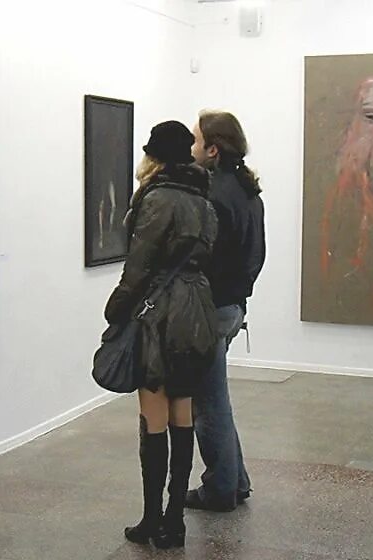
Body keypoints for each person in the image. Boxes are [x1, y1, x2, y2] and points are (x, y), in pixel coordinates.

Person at [104, 121, 219, 549]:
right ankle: (175, 521)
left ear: (154, 157)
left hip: (159, 313)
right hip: (197, 310)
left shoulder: (156, 198)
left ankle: (152, 519)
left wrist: (116, 309)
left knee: (153, 412)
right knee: (182, 410)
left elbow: (139, 266)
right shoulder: (204, 201)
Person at [186, 110, 266, 512]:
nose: (191, 147)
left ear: (213, 149)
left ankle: (219, 489)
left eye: (196, 140)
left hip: (212, 308)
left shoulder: (213, 196)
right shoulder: (248, 191)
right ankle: (235, 482)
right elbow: (256, 256)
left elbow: (204, 258)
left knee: (208, 405)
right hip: (232, 307)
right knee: (214, 397)